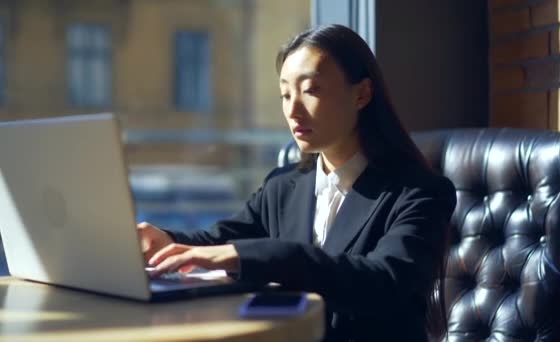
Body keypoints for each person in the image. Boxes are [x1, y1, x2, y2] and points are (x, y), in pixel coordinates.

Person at [138, 24, 456, 342]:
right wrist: (165, 241)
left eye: (311, 90)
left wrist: (271, 257)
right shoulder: (283, 187)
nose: (292, 110)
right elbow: (221, 242)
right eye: (285, 94)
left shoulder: (419, 192)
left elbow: (385, 283)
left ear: (362, 93)